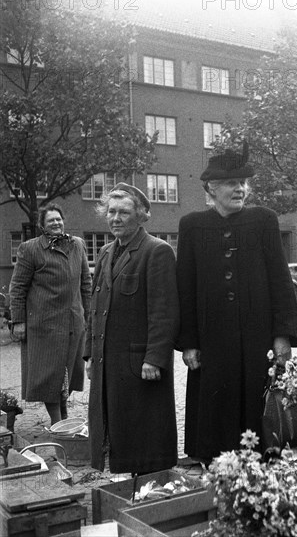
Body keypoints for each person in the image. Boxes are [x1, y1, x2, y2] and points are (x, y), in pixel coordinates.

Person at [176, 143, 297, 463]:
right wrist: (189, 342)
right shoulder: (191, 226)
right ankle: (217, 471)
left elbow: (280, 280)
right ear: (212, 189)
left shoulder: (264, 220)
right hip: (211, 341)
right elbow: (185, 288)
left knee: (257, 407)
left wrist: (283, 334)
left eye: (244, 183)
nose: (241, 189)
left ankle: (260, 471)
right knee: (215, 413)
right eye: (233, 183)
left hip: (257, 339)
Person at [85, 183, 179, 475]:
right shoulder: (105, 252)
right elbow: (95, 307)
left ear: (140, 215)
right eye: (111, 212)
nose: (115, 218)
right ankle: (128, 481)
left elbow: (164, 311)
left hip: (140, 363)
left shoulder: (157, 251)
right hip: (108, 362)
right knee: (116, 425)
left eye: (124, 212)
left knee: (145, 430)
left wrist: (155, 357)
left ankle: (152, 484)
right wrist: (89, 354)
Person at [9, 203, 91, 426]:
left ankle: (63, 417)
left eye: (58, 219)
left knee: (69, 374)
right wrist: (18, 321)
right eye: (50, 220)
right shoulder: (31, 249)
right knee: (49, 376)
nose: (56, 223)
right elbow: (17, 287)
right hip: (44, 325)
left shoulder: (78, 245)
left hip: (73, 323)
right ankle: (57, 422)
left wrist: (89, 316)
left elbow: (86, 283)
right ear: (42, 226)